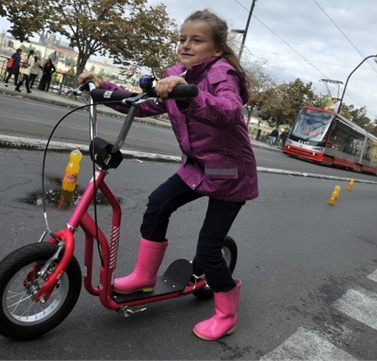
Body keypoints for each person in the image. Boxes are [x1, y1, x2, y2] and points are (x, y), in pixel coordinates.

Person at [78, 9, 258, 341]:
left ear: (216, 49)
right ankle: (145, 277)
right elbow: (143, 104)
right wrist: (103, 88)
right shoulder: (176, 73)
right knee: (158, 203)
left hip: (230, 172)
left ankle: (226, 314)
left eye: (196, 40)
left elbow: (231, 111)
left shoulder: (222, 73)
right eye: (182, 39)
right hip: (198, 165)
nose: (186, 45)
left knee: (208, 248)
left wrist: (192, 95)